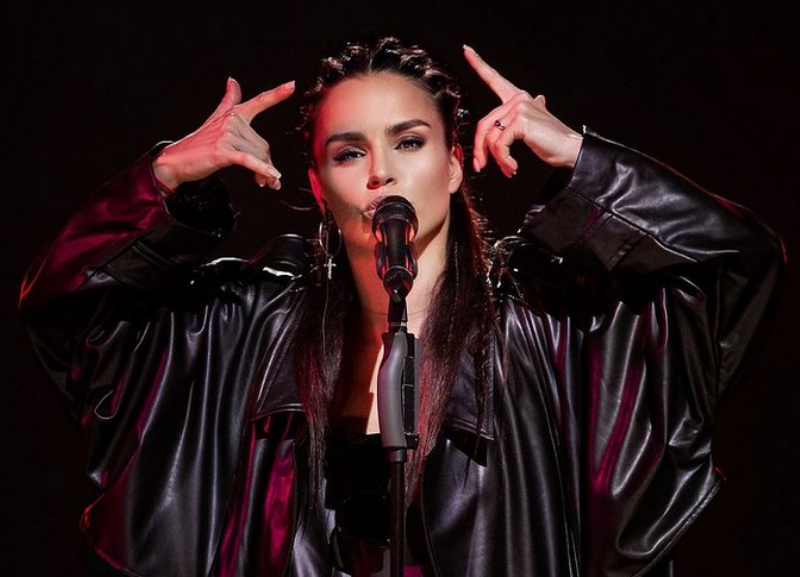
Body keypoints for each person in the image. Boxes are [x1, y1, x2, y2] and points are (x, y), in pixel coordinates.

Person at [20, 38, 783, 577]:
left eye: (410, 142)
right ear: (318, 185)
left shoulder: (548, 329)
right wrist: (160, 178)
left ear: (453, 165)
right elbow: (69, 309)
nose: (381, 171)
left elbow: (735, 264)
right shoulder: (247, 330)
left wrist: (585, 161)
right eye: (349, 152)